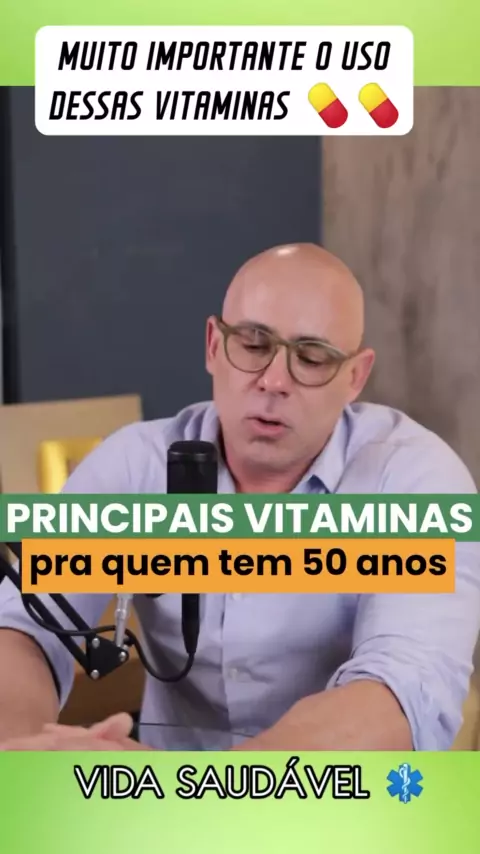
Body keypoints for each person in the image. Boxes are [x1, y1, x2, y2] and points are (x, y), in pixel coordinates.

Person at [0, 242, 479, 752]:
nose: (273, 381)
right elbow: (24, 627)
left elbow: (402, 687)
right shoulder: (134, 464)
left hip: (339, 794)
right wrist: (26, 758)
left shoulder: (414, 478)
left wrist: (209, 790)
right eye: (253, 344)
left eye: (312, 358)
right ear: (213, 345)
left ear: (354, 377)